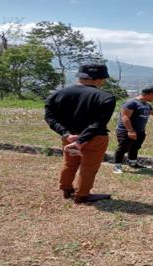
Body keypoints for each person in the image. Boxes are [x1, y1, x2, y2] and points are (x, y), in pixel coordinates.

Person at [45, 63, 116, 203]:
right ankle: (82, 195)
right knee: (89, 167)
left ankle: (66, 189)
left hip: (69, 138)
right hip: (94, 138)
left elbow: (49, 117)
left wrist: (66, 134)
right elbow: (98, 123)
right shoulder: (106, 97)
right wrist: (81, 140)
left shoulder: (57, 94)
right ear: (99, 79)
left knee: (69, 163)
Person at [113, 86, 153, 174]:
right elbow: (125, 117)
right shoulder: (131, 103)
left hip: (140, 131)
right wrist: (130, 131)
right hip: (126, 130)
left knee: (135, 147)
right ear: (150, 94)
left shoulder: (146, 105)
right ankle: (117, 166)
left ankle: (133, 163)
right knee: (123, 148)